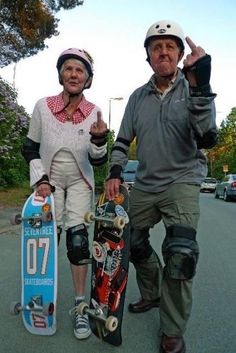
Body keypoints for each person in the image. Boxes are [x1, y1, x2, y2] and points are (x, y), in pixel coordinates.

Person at [105, 20, 217, 353]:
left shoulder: (193, 87)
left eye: (170, 46)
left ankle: (172, 329)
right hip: (146, 184)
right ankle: (152, 294)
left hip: (183, 180)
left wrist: (200, 85)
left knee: (180, 256)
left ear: (181, 55)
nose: (163, 51)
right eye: (156, 47)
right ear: (149, 58)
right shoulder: (138, 98)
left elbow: (209, 136)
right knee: (132, 243)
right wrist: (113, 172)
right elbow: (122, 141)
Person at [22, 48, 108, 340]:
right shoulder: (43, 107)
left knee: (78, 242)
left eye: (80, 71)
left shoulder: (94, 112)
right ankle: (41, 298)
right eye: (68, 69)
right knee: (45, 237)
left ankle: (81, 306)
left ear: (87, 79)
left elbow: (97, 160)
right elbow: (30, 148)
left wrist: (98, 138)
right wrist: (41, 179)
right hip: (51, 182)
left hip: (81, 183)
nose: (73, 74)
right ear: (61, 74)